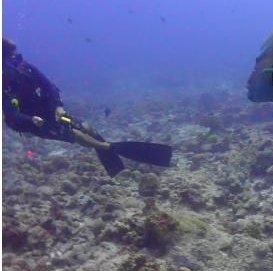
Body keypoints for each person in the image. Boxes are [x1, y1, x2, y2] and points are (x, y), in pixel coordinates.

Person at [2, 38, 173, 176]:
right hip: (32, 122)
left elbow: (49, 87)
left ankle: (114, 161)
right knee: (73, 133)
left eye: (12, 54)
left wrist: (58, 106)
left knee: (84, 126)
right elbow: (10, 115)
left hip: (49, 111)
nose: (13, 59)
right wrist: (30, 120)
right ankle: (108, 148)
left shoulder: (26, 68)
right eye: (9, 56)